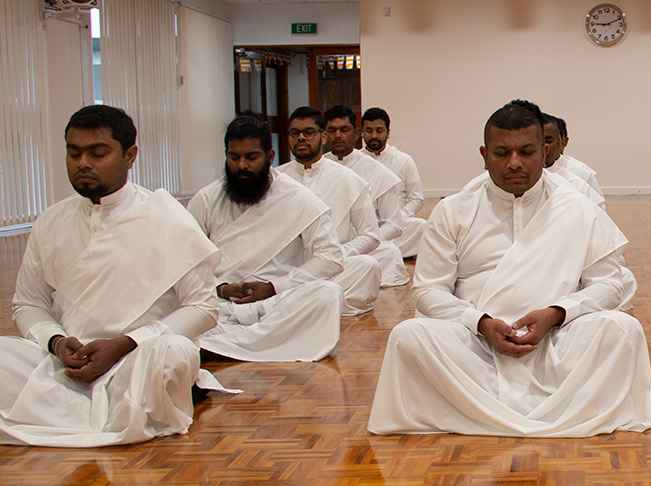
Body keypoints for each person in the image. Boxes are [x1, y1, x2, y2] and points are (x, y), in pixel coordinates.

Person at [367, 100, 651, 437]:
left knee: (623, 330)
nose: (514, 163)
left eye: (526, 151)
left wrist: (557, 313)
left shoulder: (578, 208)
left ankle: (474, 414)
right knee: (407, 336)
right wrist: (480, 322)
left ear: (544, 152)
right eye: (502, 153)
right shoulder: (454, 210)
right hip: (474, 344)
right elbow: (428, 290)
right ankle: (556, 414)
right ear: (484, 154)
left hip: (558, 340)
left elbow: (609, 284)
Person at [2, 105, 229, 447]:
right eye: (74, 152)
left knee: (173, 351)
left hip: (137, 360)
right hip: (66, 365)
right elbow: (28, 304)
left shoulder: (167, 218)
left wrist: (126, 343)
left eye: (98, 152)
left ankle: (77, 415)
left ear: (130, 155)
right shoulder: (51, 221)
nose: (83, 163)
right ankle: (82, 412)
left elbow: (203, 308)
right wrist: (56, 342)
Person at [189, 115, 345, 362]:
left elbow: (331, 258)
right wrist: (221, 288)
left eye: (251, 157)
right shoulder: (206, 199)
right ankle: (252, 344)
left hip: (276, 303)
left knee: (328, 294)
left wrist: (274, 287)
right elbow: (187, 263)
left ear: (270, 157)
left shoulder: (298, 198)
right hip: (219, 303)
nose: (242, 166)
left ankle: (217, 347)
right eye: (234, 157)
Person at [278, 107, 382, 316]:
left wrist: (334, 256)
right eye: (295, 133)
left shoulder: (349, 179)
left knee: (367, 266)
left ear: (323, 137)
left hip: (333, 268)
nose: (301, 138)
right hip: (284, 269)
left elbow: (370, 235)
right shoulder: (275, 179)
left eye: (308, 132)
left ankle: (299, 303)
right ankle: (307, 302)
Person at [323, 105, 409, 287]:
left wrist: (357, 245)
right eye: (332, 130)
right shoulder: (315, 168)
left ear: (355, 134)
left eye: (344, 130)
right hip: (320, 245)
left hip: (360, 246)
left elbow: (394, 223)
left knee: (389, 253)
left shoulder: (378, 172)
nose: (338, 135)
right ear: (324, 135)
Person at [362, 107, 429, 258]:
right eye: (369, 130)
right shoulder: (356, 161)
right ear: (362, 132)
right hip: (364, 226)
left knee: (422, 227)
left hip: (396, 225)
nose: (374, 135)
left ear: (388, 132)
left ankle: (378, 251)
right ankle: (387, 252)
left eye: (379, 130)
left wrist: (399, 218)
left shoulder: (403, 160)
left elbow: (416, 198)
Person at [539, 113, 606, 209]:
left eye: (548, 141)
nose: (544, 146)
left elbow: (599, 217)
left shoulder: (582, 175)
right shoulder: (519, 174)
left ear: (562, 142)